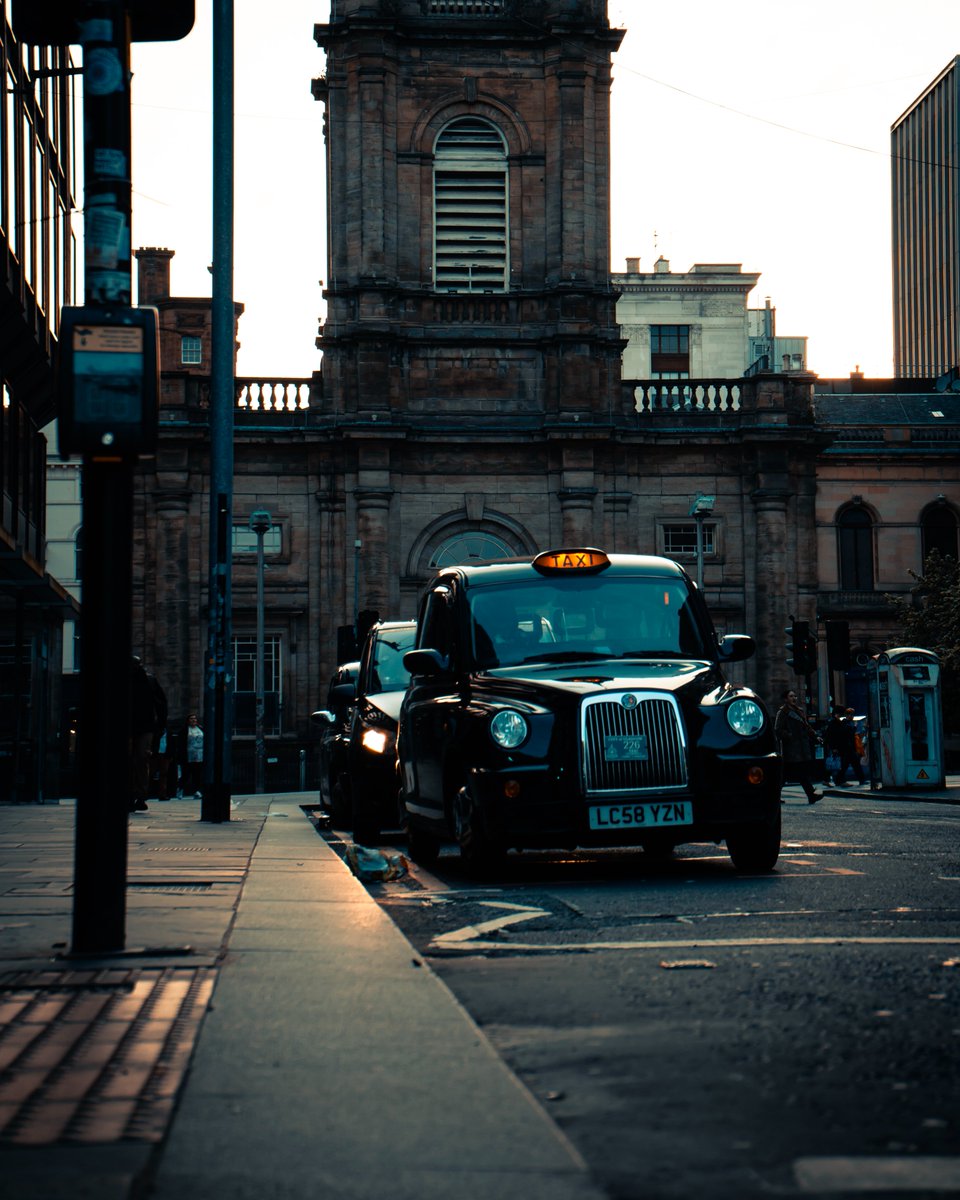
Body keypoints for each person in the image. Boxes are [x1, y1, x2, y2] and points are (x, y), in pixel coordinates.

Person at [774, 688, 823, 804]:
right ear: (786, 699)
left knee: (793, 774)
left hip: (801, 746)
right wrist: (789, 735)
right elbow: (777, 729)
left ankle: (811, 795)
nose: (794, 698)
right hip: (791, 749)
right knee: (796, 774)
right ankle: (811, 795)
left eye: (795, 696)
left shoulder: (799, 711)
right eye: (791, 696)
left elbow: (807, 727)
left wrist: (816, 736)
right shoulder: (782, 712)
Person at [130, 657, 165, 813]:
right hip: (137, 727)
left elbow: (161, 704)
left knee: (141, 760)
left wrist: (160, 726)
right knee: (138, 761)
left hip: (145, 727)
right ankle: (136, 794)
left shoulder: (149, 681)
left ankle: (140, 794)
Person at [179, 712, 204, 799]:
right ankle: (180, 789)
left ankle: (196, 791)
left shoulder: (200, 728)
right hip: (188, 755)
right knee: (186, 774)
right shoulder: (185, 730)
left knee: (197, 775)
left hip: (199, 755)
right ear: (188, 721)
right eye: (191, 718)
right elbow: (181, 743)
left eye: (195, 718)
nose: (194, 720)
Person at [840, 707, 866, 784]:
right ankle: (861, 780)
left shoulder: (848, 723)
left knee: (848, 765)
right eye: (851, 715)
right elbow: (848, 733)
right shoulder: (845, 723)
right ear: (847, 715)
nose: (852, 716)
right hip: (848, 748)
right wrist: (854, 727)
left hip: (850, 748)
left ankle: (839, 779)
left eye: (853, 715)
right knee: (855, 765)